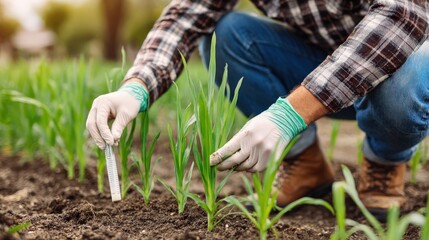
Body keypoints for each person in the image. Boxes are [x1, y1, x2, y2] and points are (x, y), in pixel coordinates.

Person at [86, 0, 429, 220]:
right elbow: (185, 16)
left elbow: (403, 16)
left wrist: (289, 114)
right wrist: (135, 87)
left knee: (408, 72)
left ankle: (385, 164)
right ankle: (304, 165)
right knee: (227, 33)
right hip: (317, 66)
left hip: (402, 67)